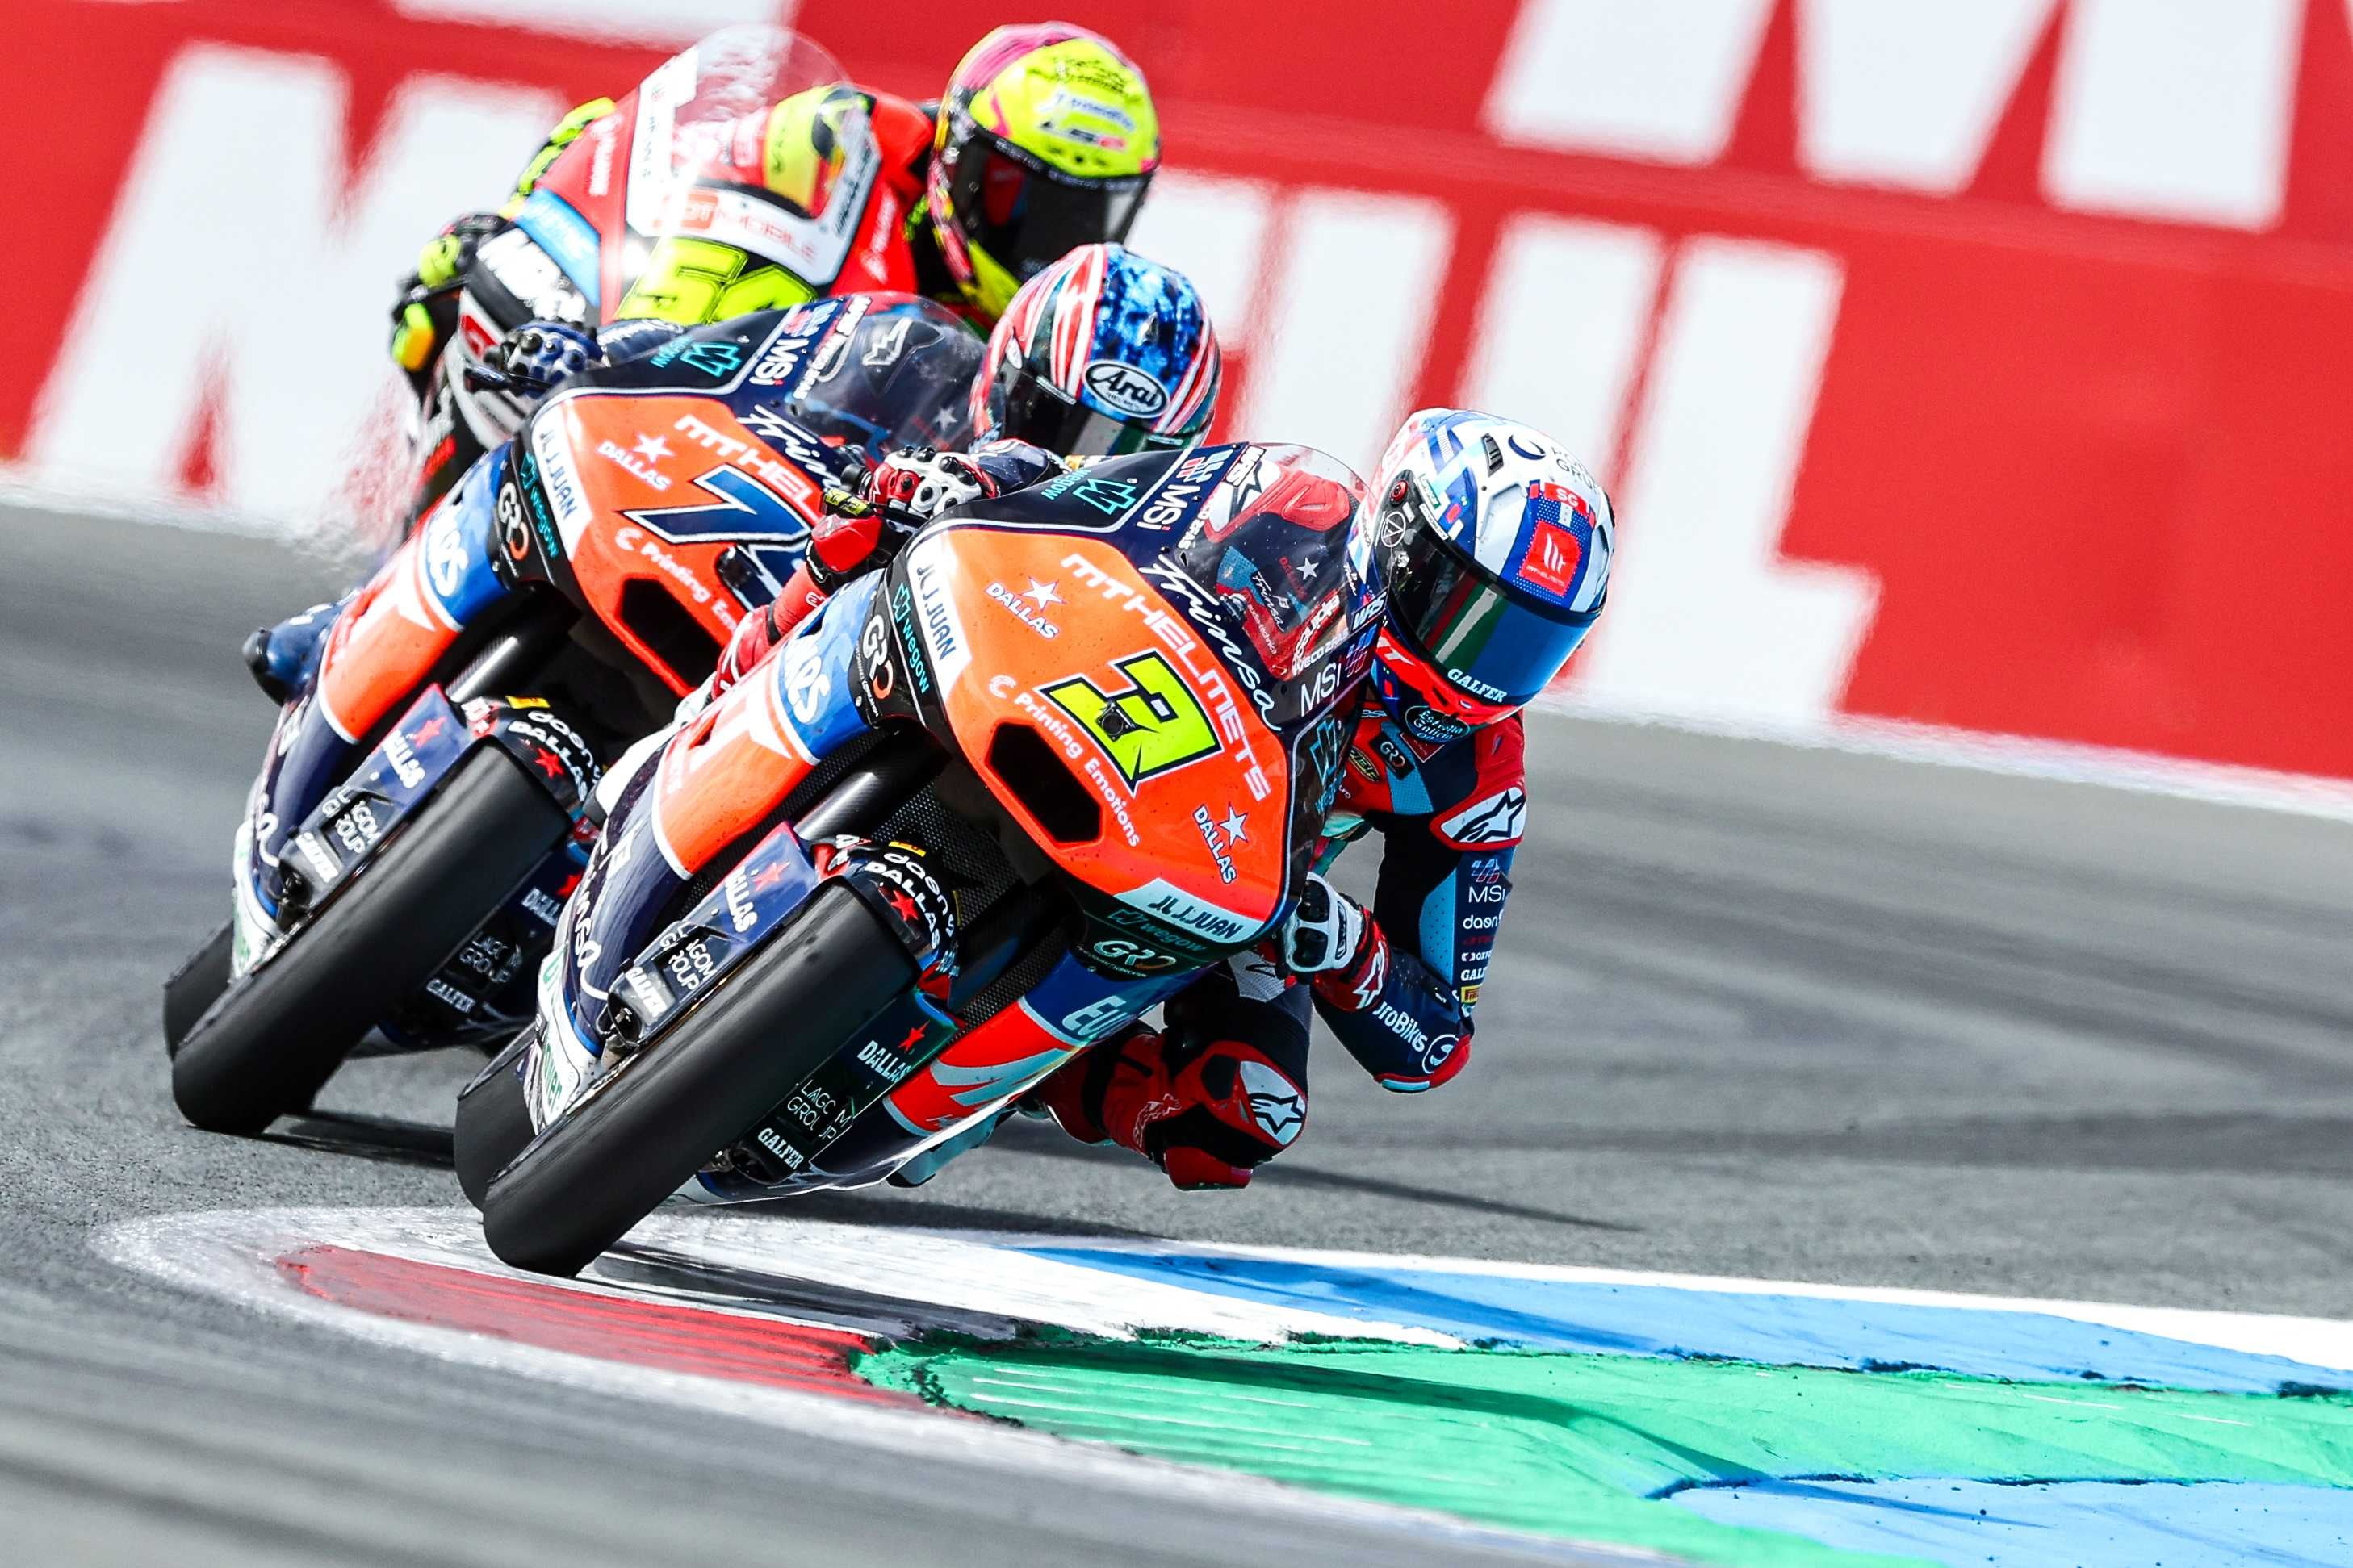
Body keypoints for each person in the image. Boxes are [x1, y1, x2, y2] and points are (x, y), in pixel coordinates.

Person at [759, 408, 1614, 1192]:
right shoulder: (1291, 506)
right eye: (1468, 611)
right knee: (868, 550)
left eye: (1526, 643)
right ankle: (715, 721)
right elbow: (1092, 482)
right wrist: (980, 477)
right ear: (1399, 538)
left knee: (1246, 1106)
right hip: (1086, 699)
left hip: (1219, 876)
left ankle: (1015, 1071)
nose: (1479, 669)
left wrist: (1346, 947)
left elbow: (1433, 1040)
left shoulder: (1478, 765)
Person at [245, 245, 1219, 705]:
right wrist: (597, 350)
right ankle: (348, 623)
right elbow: (721, 357)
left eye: (1117, 455)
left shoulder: (1104, 583)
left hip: (841, 688)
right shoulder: (912, 351)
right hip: (737, 555)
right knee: (542, 452)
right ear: (1007, 372)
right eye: (1057, 422)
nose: (1073, 462)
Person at [388, 22, 1161, 402]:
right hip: (678, 415)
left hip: (821, 548)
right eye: (1019, 197)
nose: (1050, 244)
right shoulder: (836, 146)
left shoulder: (1060, 329)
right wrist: (613, 354)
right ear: (956, 155)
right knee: (463, 295)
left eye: (1088, 216)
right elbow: (690, 273)